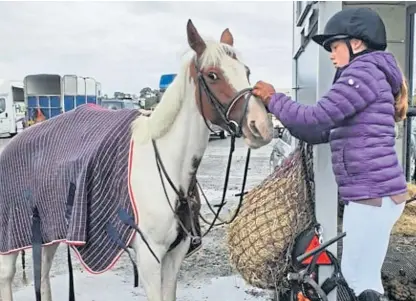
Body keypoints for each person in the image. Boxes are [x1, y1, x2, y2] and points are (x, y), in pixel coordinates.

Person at [252, 7, 408, 301]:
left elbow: (313, 119)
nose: (331, 54)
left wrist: (274, 98)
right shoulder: (373, 74)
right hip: (381, 195)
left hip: (370, 197)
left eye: (335, 45)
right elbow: (318, 131)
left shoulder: (362, 72)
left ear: (356, 43)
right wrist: (289, 119)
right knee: (367, 277)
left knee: (354, 280)